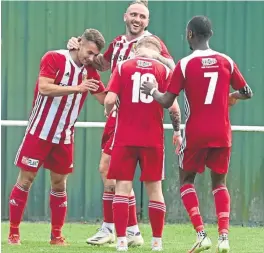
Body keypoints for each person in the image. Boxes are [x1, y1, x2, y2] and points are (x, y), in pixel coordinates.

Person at [67, 0, 182, 246]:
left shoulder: (153, 44)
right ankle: (129, 230)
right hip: (118, 116)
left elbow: (174, 71)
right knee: (109, 171)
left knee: (112, 172)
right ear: (125, 16)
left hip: (138, 118)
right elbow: (100, 63)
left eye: (142, 16)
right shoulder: (119, 42)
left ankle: (116, 229)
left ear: (147, 21)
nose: (137, 19)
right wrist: (77, 47)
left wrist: (158, 59)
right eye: (133, 14)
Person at [140, 15, 253, 253]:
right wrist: (231, 97)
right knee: (219, 183)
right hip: (222, 132)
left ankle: (202, 235)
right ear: (210, 35)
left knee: (186, 180)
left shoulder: (185, 64)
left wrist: (152, 90)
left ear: (190, 34)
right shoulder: (226, 61)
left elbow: (166, 101)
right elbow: (246, 91)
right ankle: (224, 238)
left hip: (196, 133)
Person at [8, 29, 107, 246]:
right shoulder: (54, 57)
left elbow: (103, 98)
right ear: (78, 43)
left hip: (64, 136)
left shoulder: (90, 71)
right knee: (26, 180)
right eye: (88, 52)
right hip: (39, 131)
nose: (90, 58)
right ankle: (13, 233)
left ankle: (56, 236)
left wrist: (119, 80)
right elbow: (44, 88)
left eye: (94, 55)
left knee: (59, 184)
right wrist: (77, 88)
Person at [104, 36, 181, 251]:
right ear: (157, 51)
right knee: (155, 190)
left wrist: (108, 112)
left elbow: (109, 100)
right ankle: (156, 243)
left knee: (122, 187)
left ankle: (121, 242)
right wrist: (177, 132)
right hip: (152, 140)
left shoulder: (122, 66)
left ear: (136, 49)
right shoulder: (164, 71)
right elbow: (174, 108)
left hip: (125, 138)